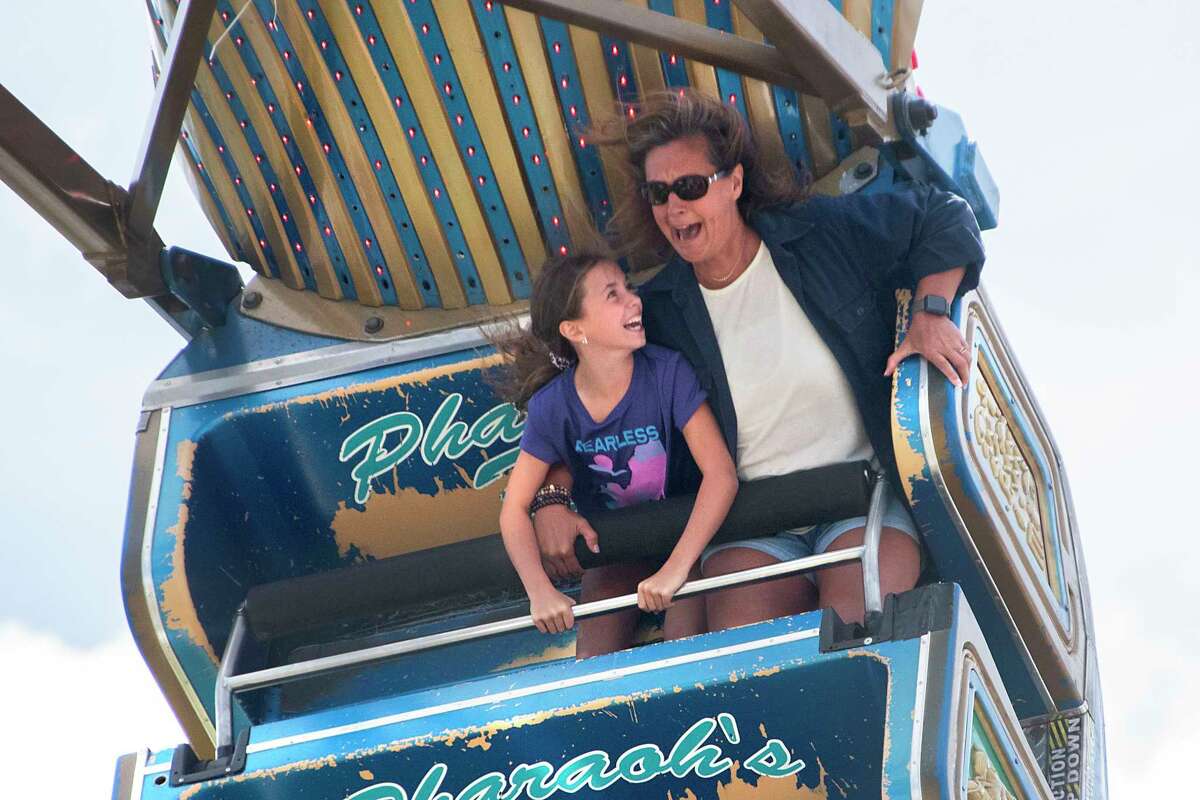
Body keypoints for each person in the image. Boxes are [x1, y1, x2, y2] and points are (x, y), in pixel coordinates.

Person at [532, 90, 985, 630]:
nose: (674, 208)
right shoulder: (655, 314)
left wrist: (931, 313)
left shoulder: (819, 235)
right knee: (747, 660)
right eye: (659, 194)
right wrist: (553, 496)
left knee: (858, 632)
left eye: (691, 187)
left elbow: (946, 215)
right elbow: (579, 390)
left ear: (735, 183)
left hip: (859, 497)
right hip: (752, 519)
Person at [495, 251, 738, 657]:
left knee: (685, 646)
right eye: (613, 295)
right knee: (594, 657)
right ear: (574, 329)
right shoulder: (551, 407)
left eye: (628, 288)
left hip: (687, 538)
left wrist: (675, 569)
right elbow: (513, 508)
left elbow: (720, 474)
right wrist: (539, 590)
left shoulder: (667, 372)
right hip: (616, 549)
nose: (634, 300)